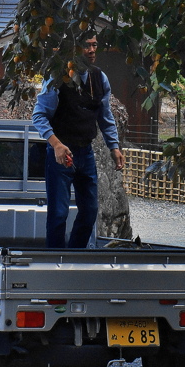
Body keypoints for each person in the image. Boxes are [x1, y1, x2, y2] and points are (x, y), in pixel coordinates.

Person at [32, 36, 125, 248]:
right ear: (74, 49)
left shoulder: (99, 77)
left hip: (85, 152)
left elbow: (105, 115)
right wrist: (56, 144)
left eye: (94, 45)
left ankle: (75, 255)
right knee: (58, 213)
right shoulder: (57, 77)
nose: (92, 50)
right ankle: (55, 260)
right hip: (61, 153)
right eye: (86, 46)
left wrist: (114, 146)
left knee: (90, 211)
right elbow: (38, 116)